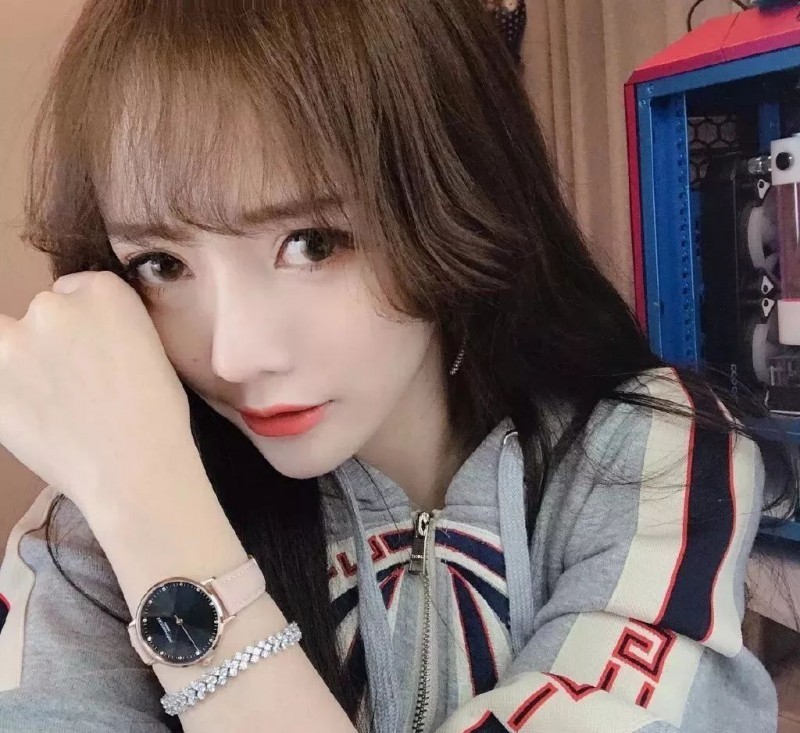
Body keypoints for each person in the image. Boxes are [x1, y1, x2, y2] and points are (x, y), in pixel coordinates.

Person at [0, 1, 789, 731]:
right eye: (162, 263)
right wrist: (145, 505)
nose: (235, 355)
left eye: (311, 242)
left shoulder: (643, 458)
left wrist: (183, 570)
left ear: (457, 195)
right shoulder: (99, 530)